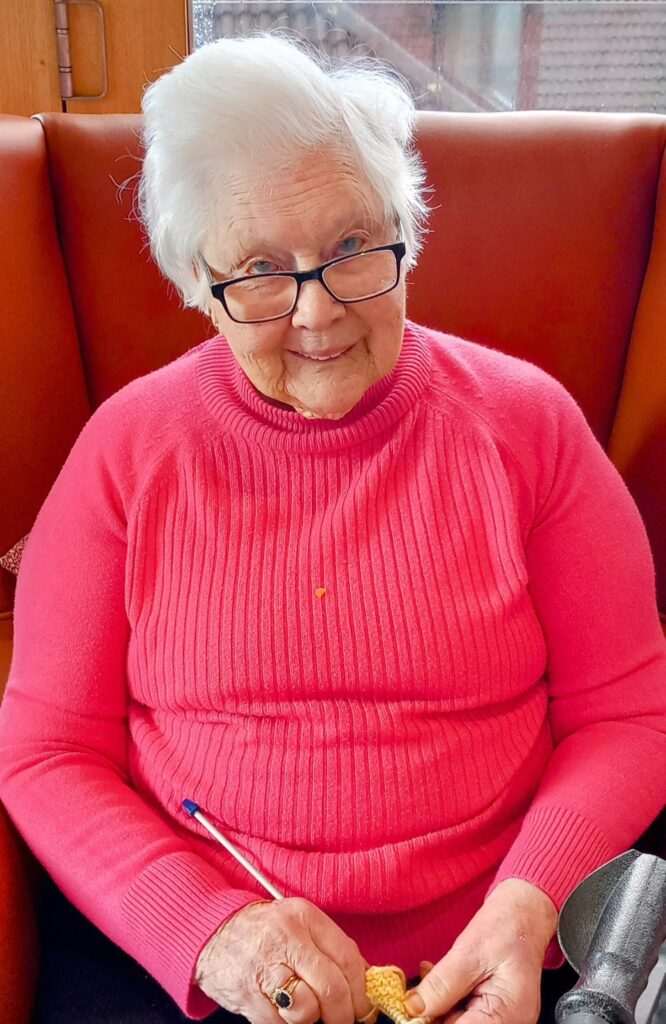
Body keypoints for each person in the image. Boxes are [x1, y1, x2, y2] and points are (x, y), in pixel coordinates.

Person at [0, 33, 664, 1024]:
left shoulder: (529, 426)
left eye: (355, 247)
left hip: (510, 941)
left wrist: (532, 901)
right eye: (260, 270)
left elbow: (628, 714)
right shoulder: (125, 454)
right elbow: (45, 752)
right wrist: (213, 932)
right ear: (197, 281)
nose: (318, 314)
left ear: (407, 231)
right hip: (208, 959)